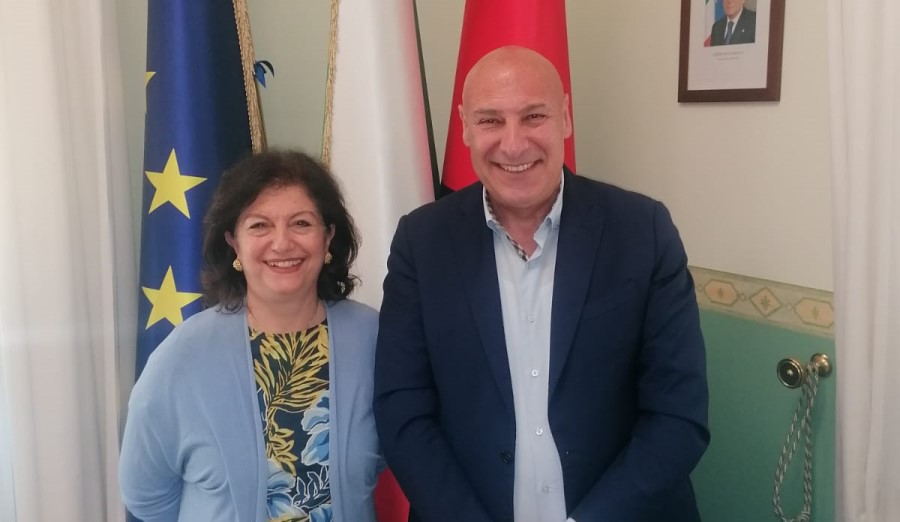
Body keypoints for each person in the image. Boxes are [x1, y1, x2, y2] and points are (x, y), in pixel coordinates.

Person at [373, 46, 709, 522]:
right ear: (465, 126)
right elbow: (402, 411)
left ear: (565, 117)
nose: (513, 144)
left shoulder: (642, 231)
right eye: (490, 120)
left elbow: (678, 417)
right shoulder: (422, 241)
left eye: (533, 116)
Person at [120, 150, 383, 521]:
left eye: (301, 223)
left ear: (328, 238)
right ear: (234, 242)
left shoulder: (373, 339)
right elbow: (145, 495)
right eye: (260, 225)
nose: (282, 243)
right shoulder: (184, 355)